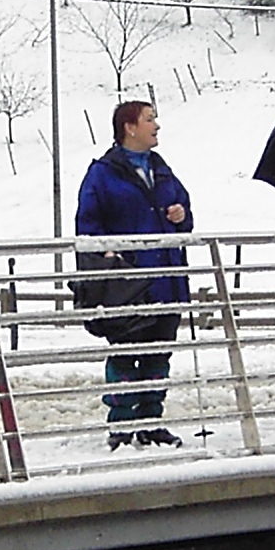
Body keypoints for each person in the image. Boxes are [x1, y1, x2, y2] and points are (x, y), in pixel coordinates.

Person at [74, 100, 193, 448]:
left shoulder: (162, 168)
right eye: (149, 119)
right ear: (129, 127)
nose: (156, 125)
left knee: (159, 353)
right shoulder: (102, 174)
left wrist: (181, 215)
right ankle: (122, 424)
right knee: (125, 352)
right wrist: (106, 251)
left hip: (166, 279)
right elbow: (87, 224)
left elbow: (186, 212)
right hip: (126, 285)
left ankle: (152, 421)